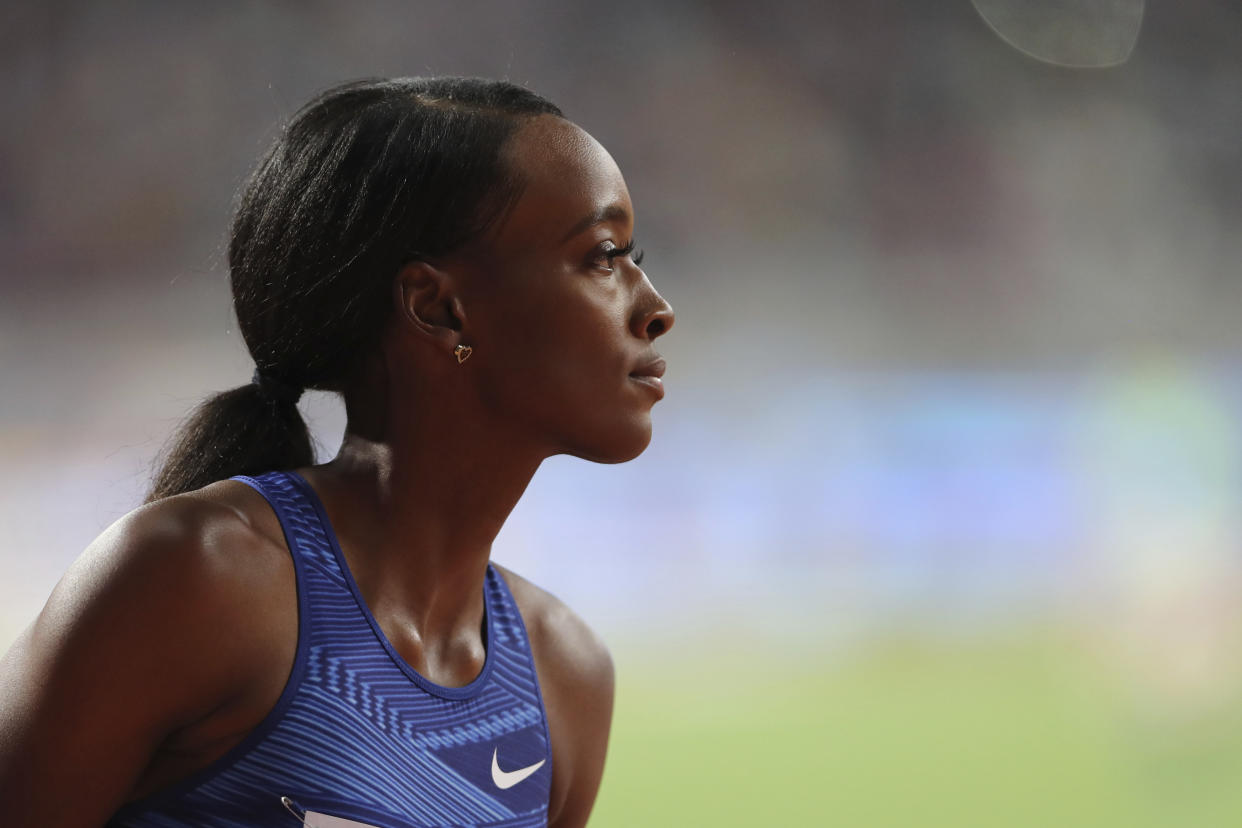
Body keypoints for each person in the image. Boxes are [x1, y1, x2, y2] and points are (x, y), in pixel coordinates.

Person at [0, 77, 674, 828]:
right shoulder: (200, 578)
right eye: (603, 256)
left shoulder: (565, 677)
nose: (655, 308)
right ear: (437, 308)